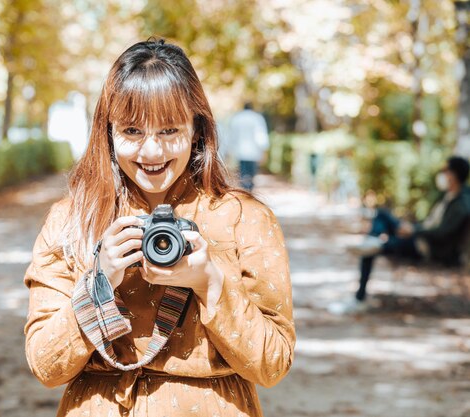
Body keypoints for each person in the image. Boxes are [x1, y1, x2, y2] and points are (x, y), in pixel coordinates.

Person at [23, 39, 295, 416]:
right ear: (108, 131)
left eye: (169, 131)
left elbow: (273, 364)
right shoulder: (72, 220)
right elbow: (45, 367)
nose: (151, 152)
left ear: (197, 129)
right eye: (132, 131)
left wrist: (210, 283)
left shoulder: (245, 218)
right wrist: (99, 280)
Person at [330, 156, 470, 315]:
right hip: (420, 237)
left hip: (427, 246)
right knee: (381, 215)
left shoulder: (461, 204)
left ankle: (359, 297)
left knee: (369, 250)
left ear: (454, 175)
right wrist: (412, 228)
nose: (442, 174)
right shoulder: (449, 197)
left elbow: (443, 234)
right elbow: (431, 224)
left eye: (446, 171)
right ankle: (373, 241)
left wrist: (414, 231)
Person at [227, 102, 270, 191]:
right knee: (251, 174)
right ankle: (249, 190)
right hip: (253, 152)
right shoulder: (257, 118)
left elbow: (232, 135)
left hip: (240, 151)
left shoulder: (237, 118)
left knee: (243, 174)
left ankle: (245, 190)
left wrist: (230, 150)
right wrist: (264, 150)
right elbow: (261, 135)